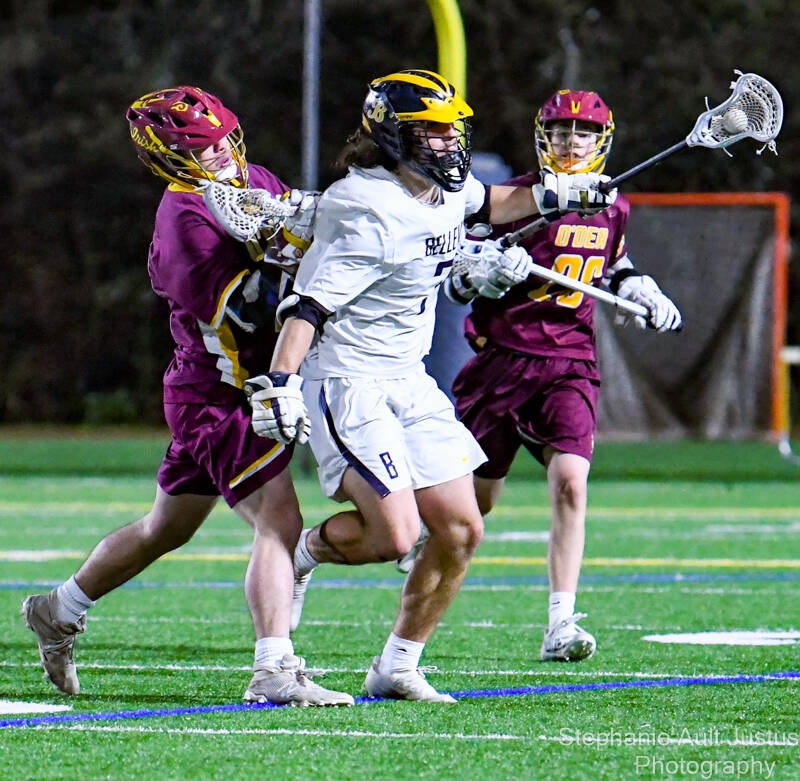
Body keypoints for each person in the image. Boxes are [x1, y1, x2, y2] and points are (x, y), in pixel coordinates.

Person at [245, 70, 617, 701]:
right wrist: (279, 383)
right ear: (392, 134)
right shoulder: (364, 205)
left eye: (454, 130)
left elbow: (490, 204)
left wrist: (562, 193)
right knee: (394, 534)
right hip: (349, 379)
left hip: (408, 379)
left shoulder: (439, 188)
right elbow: (307, 307)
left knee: (462, 527)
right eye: (434, 132)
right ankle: (305, 553)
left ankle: (397, 665)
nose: (450, 143)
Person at [21, 86, 353, 707]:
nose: (225, 153)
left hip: (225, 386)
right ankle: (274, 668)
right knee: (281, 523)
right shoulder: (182, 223)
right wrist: (296, 253)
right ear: (169, 160)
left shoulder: (251, 177)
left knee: (163, 529)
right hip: (221, 392)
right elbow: (254, 313)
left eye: (226, 136)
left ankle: (58, 609)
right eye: (204, 147)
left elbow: (299, 237)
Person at [449, 89, 682, 662]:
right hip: (499, 361)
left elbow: (614, 262)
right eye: (558, 131)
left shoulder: (612, 204)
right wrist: (482, 272)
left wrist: (638, 288)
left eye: (580, 132)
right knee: (469, 511)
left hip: (570, 361)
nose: (568, 141)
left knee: (572, 483)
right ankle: (311, 558)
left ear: (600, 142)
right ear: (541, 137)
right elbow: (454, 277)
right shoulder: (516, 198)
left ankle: (561, 622)